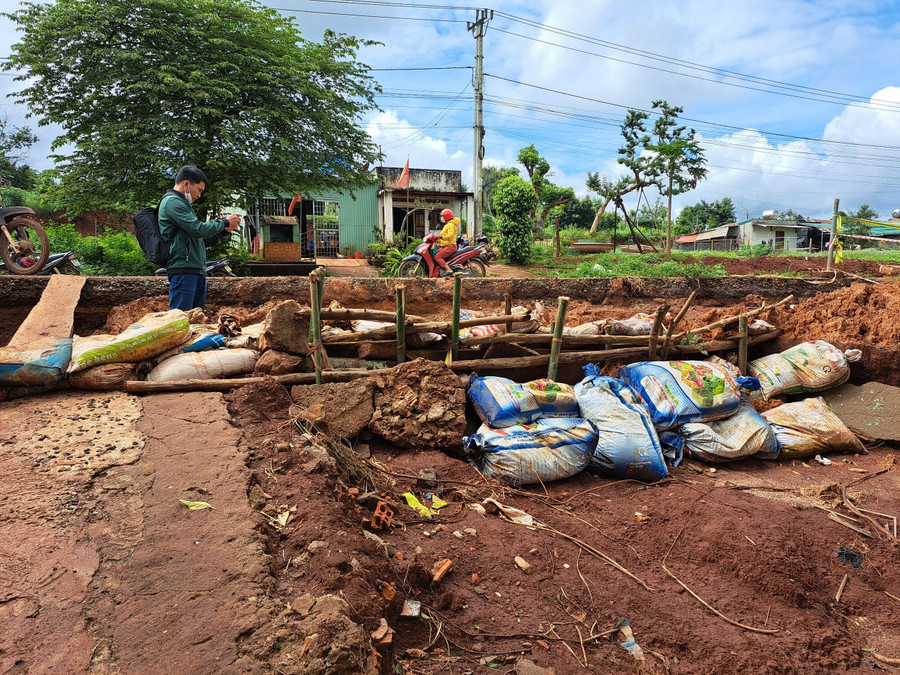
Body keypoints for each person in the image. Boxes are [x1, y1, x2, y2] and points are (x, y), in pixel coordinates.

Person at [158, 165, 241, 311]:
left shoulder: (183, 205)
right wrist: (224, 222)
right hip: (183, 269)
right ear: (186, 184)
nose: (199, 195)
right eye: (199, 190)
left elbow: (200, 239)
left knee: (196, 317)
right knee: (181, 318)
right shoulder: (172, 202)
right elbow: (198, 229)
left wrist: (223, 231)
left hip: (195, 269)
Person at [434, 208, 460, 277]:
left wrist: (441, 238)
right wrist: (437, 240)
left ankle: (449, 270)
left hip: (451, 246)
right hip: (446, 245)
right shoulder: (447, 225)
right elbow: (445, 238)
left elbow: (450, 236)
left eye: (443, 216)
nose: (441, 218)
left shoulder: (450, 225)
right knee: (435, 253)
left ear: (447, 216)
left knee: (437, 257)